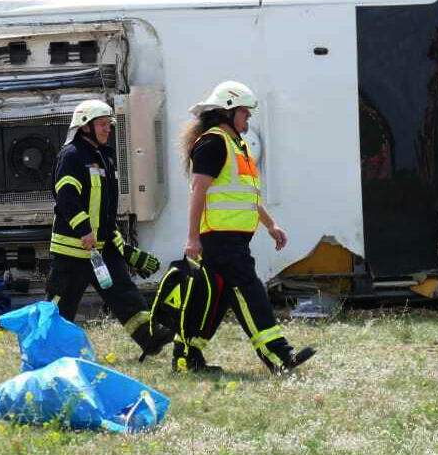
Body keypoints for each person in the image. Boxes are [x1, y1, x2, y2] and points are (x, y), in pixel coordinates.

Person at [181, 81, 314, 374]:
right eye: (245, 113)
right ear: (228, 111)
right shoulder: (213, 143)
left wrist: (271, 225)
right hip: (219, 239)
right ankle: (280, 356)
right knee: (250, 290)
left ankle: (186, 357)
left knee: (212, 301)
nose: (248, 119)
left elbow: (245, 196)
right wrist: (192, 237)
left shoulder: (236, 146)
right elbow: (198, 191)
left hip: (233, 239)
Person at [46, 100, 173, 360]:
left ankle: (150, 338)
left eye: (108, 125)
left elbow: (104, 211)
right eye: (102, 124)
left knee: (124, 293)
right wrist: (83, 230)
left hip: (101, 249)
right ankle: (46, 351)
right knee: (61, 306)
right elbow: (67, 198)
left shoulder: (104, 156)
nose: (108, 130)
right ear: (85, 126)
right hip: (73, 250)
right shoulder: (71, 156)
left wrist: (122, 248)